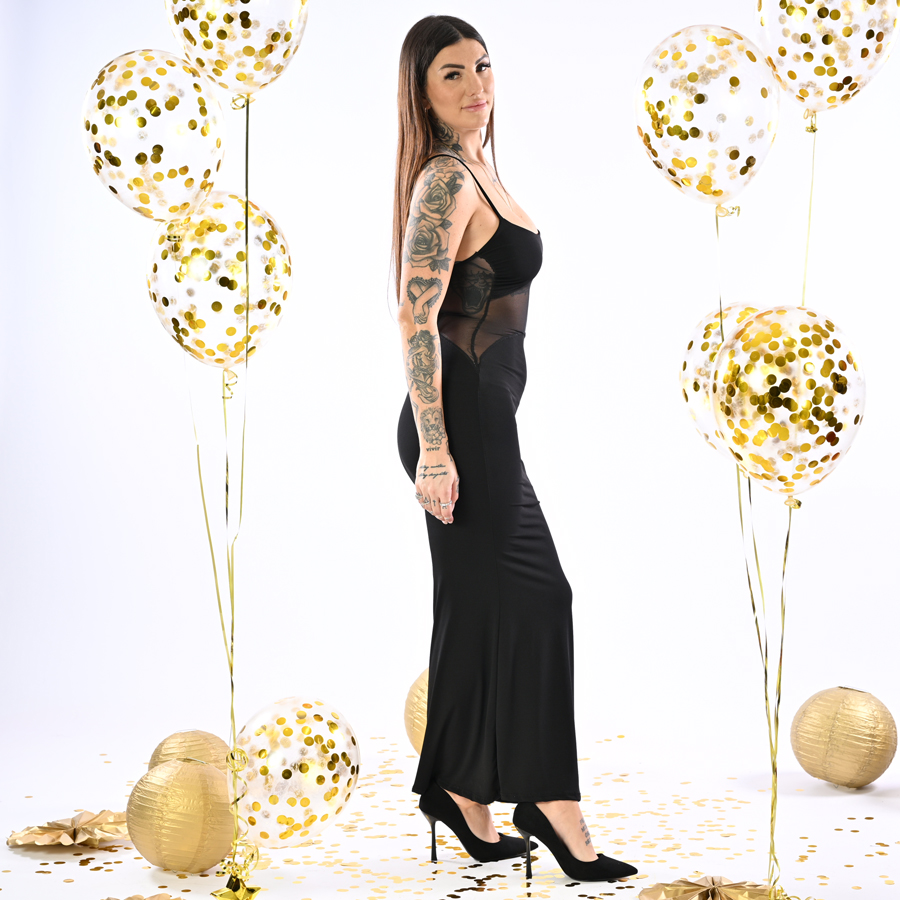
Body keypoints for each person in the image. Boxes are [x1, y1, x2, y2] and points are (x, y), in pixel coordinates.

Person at [393, 14, 638, 884]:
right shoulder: (443, 181)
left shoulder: (479, 171)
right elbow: (415, 314)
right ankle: (550, 804)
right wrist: (435, 449)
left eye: (483, 67)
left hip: (483, 419)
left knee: (476, 610)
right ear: (423, 92)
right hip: (458, 423)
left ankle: (460, 793)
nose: (476, 86)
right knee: (542, 596)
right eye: (452, 74)